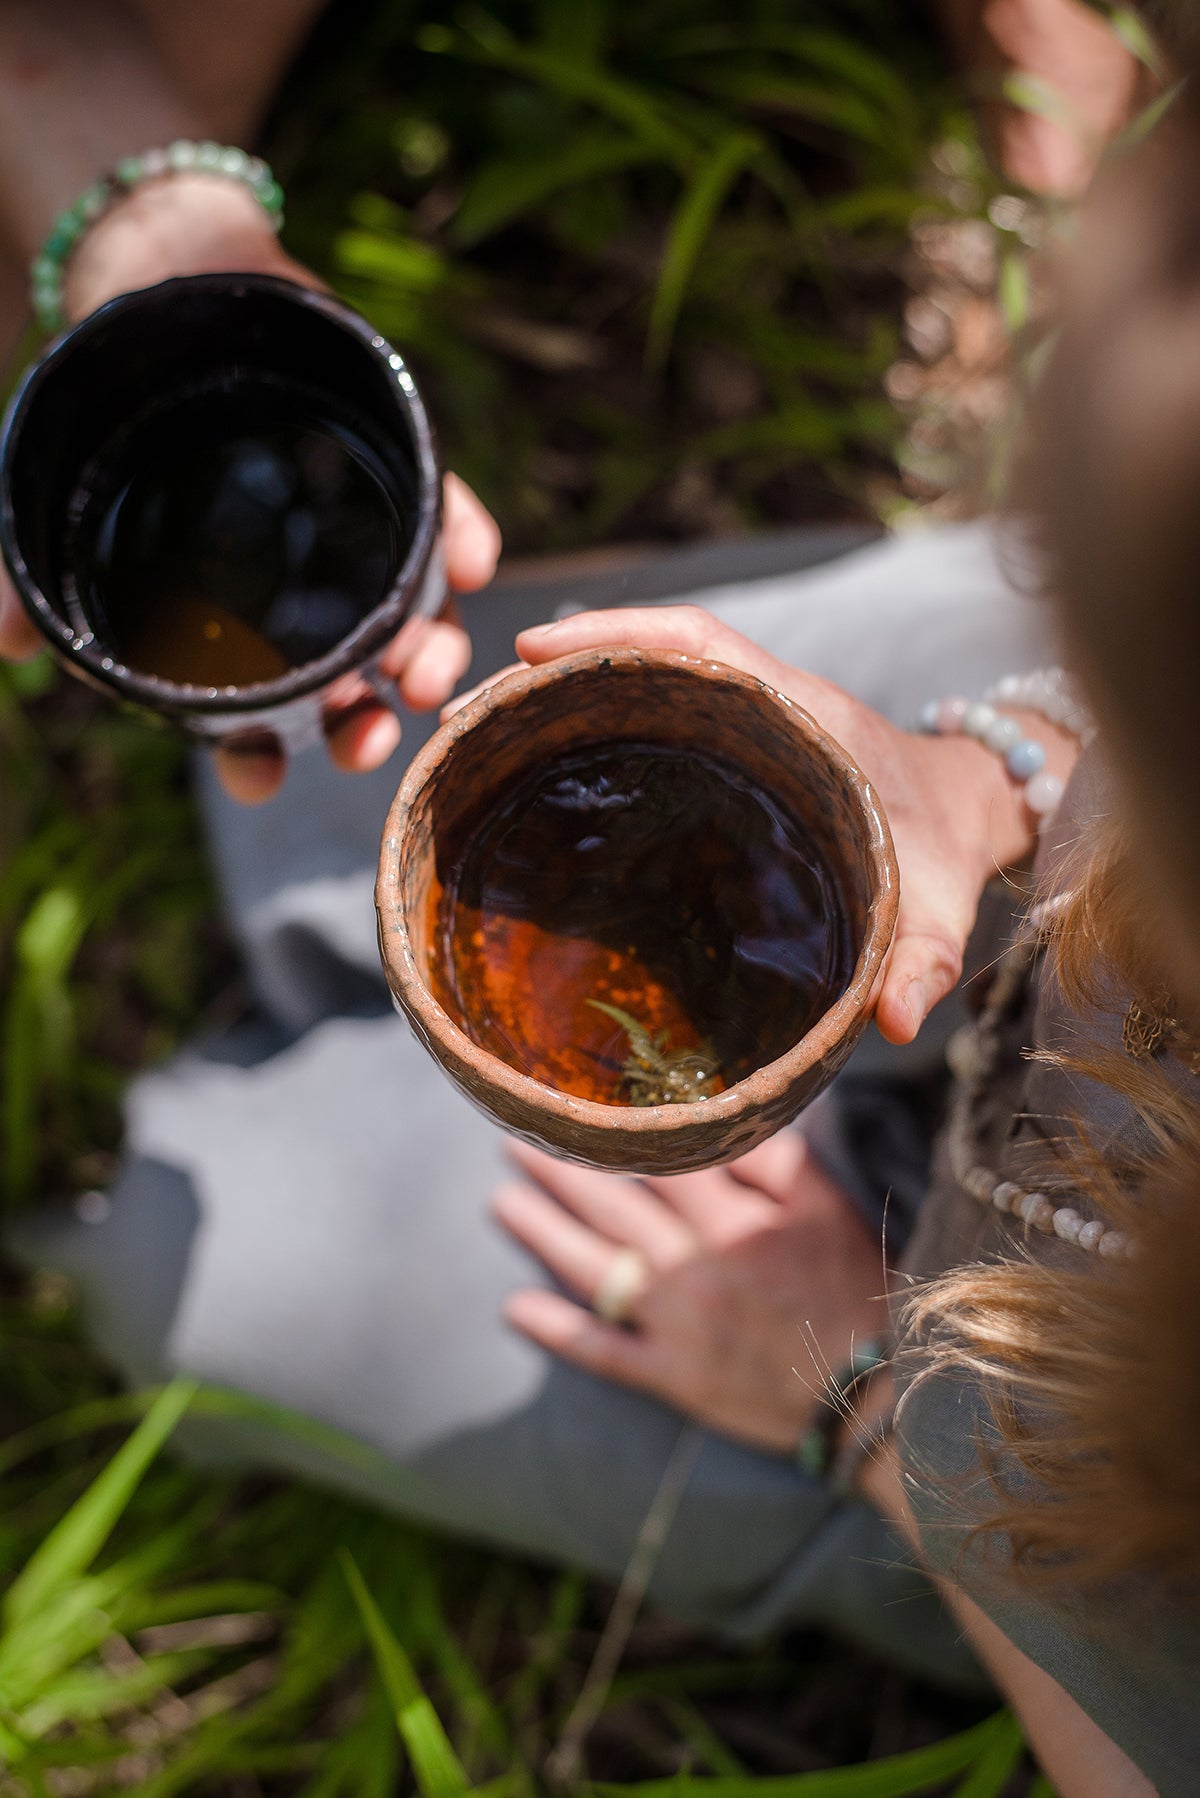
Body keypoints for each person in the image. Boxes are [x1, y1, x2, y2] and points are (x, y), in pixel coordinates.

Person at [5, 2, 1196, 1793]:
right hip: (1042, 925)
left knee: (187, 1251)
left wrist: (863, 1394)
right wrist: (997, 773)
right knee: (325, 768)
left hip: (1032, 1462)